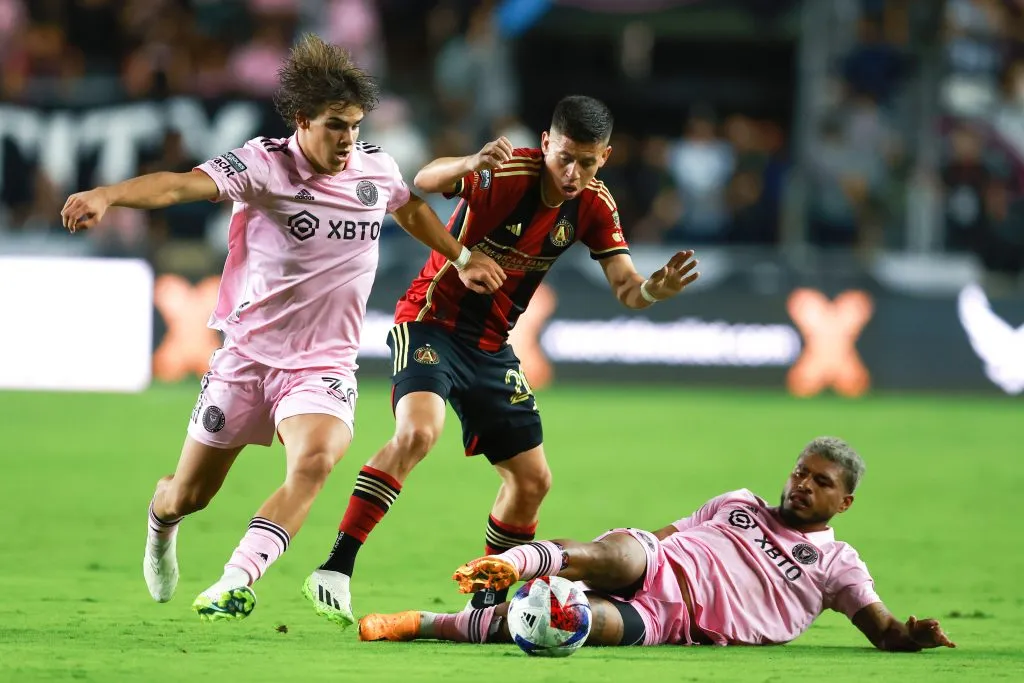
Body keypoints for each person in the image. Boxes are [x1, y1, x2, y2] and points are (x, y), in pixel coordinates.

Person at [59, 34, 504, 622]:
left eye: (354, 125)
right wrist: (108, 195)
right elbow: (179, 184)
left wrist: (461, 255)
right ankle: (161, 520)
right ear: (302, 120)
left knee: (316, 460)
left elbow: (409, 206)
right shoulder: (263, 164)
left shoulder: (375, 168)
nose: (348, 139)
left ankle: (236, 578)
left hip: (322, 365)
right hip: (245, 358)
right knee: (190, 495)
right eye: (335, 126)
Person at [304, 95, 701, 627]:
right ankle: (336, 567)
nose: (573, 172)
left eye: (587, 162)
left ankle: (486, 604)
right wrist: (468, 163)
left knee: (532, 480)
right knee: (419, 434)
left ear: (603, 157)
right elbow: (423, 179)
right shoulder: (509, 170)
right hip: (430, 322)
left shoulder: (595, 205)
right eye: (565, 157)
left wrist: (655, 290)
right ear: (546, 144)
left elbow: (628, 290)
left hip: (491, 347)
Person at [358, 437, 957, 652]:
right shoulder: (740, 502)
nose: (802, 485)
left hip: (676, 620)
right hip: (660, 560)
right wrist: (638, 545)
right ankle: (514, 561)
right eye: (801, 472)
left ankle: (426, 622)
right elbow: (670, 536)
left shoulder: (837, 564)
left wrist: (913, 637)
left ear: (843, 503)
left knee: (563, 622)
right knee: (619, 552)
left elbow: (882, 631)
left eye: (820, 483)